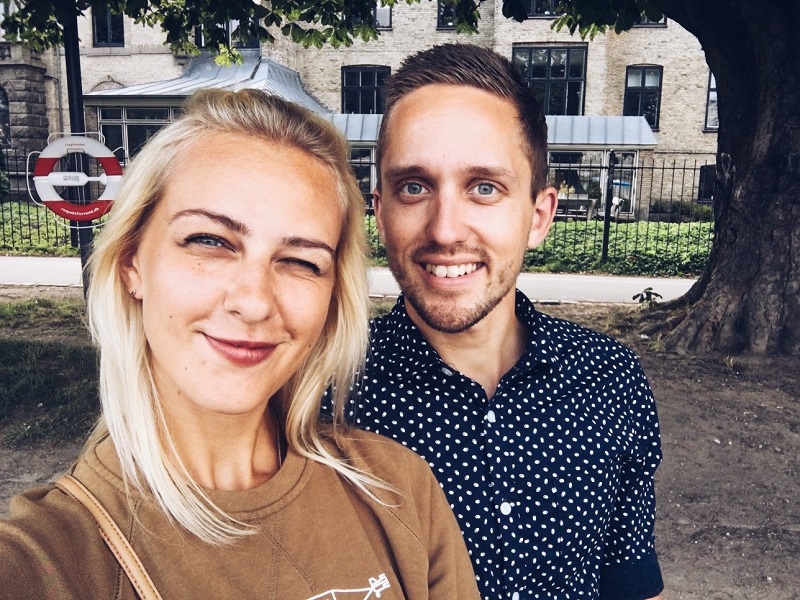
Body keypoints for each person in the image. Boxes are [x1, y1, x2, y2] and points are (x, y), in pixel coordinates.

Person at [0, 89, 479, 599]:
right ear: (131, 262)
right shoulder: (48, 557)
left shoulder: (397, 488)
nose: (253, 302)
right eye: (209, 240)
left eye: (301, 261)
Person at [342, 44, 664, 599]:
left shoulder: (612, 382)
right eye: (414, 186)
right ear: (379, 210)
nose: (445, 229)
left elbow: (628, 584)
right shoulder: (323, 397)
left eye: (484, 187)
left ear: (539, 216)